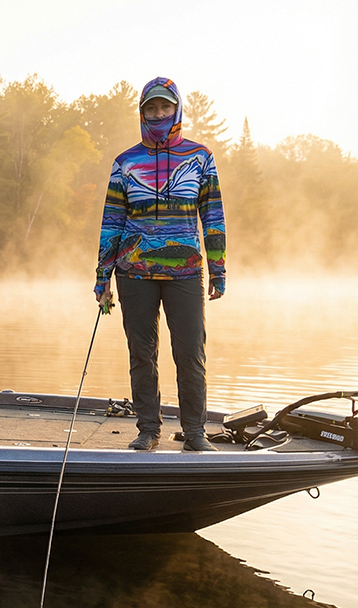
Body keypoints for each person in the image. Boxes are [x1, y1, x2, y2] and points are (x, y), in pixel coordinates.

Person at [94, 77, 226, 452]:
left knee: (190, 353)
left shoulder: (200, 157)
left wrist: (218, 268)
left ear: (177, 110)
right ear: (142, 112)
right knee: (142, 353)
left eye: (164, 108)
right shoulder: (125, 162)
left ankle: (195, 433)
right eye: (150, 109)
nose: (157, 115)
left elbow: (212, 215)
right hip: (133, 273)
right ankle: (148, 430)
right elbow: (112, 223)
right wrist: (103, 277)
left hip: (185, 272)